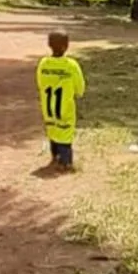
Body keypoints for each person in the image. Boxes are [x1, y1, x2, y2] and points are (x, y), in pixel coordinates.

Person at [36, 29, 86, 171]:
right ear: (66, 46)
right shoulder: (71, 65)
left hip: (48, 105)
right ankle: (66, 162)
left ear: (49, 45)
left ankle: (55, 156)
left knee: (52, 129)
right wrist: (78, 93)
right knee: (65, 132)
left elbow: (40, 82)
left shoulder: (44, 63)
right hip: (65, 106)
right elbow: (80, 87)